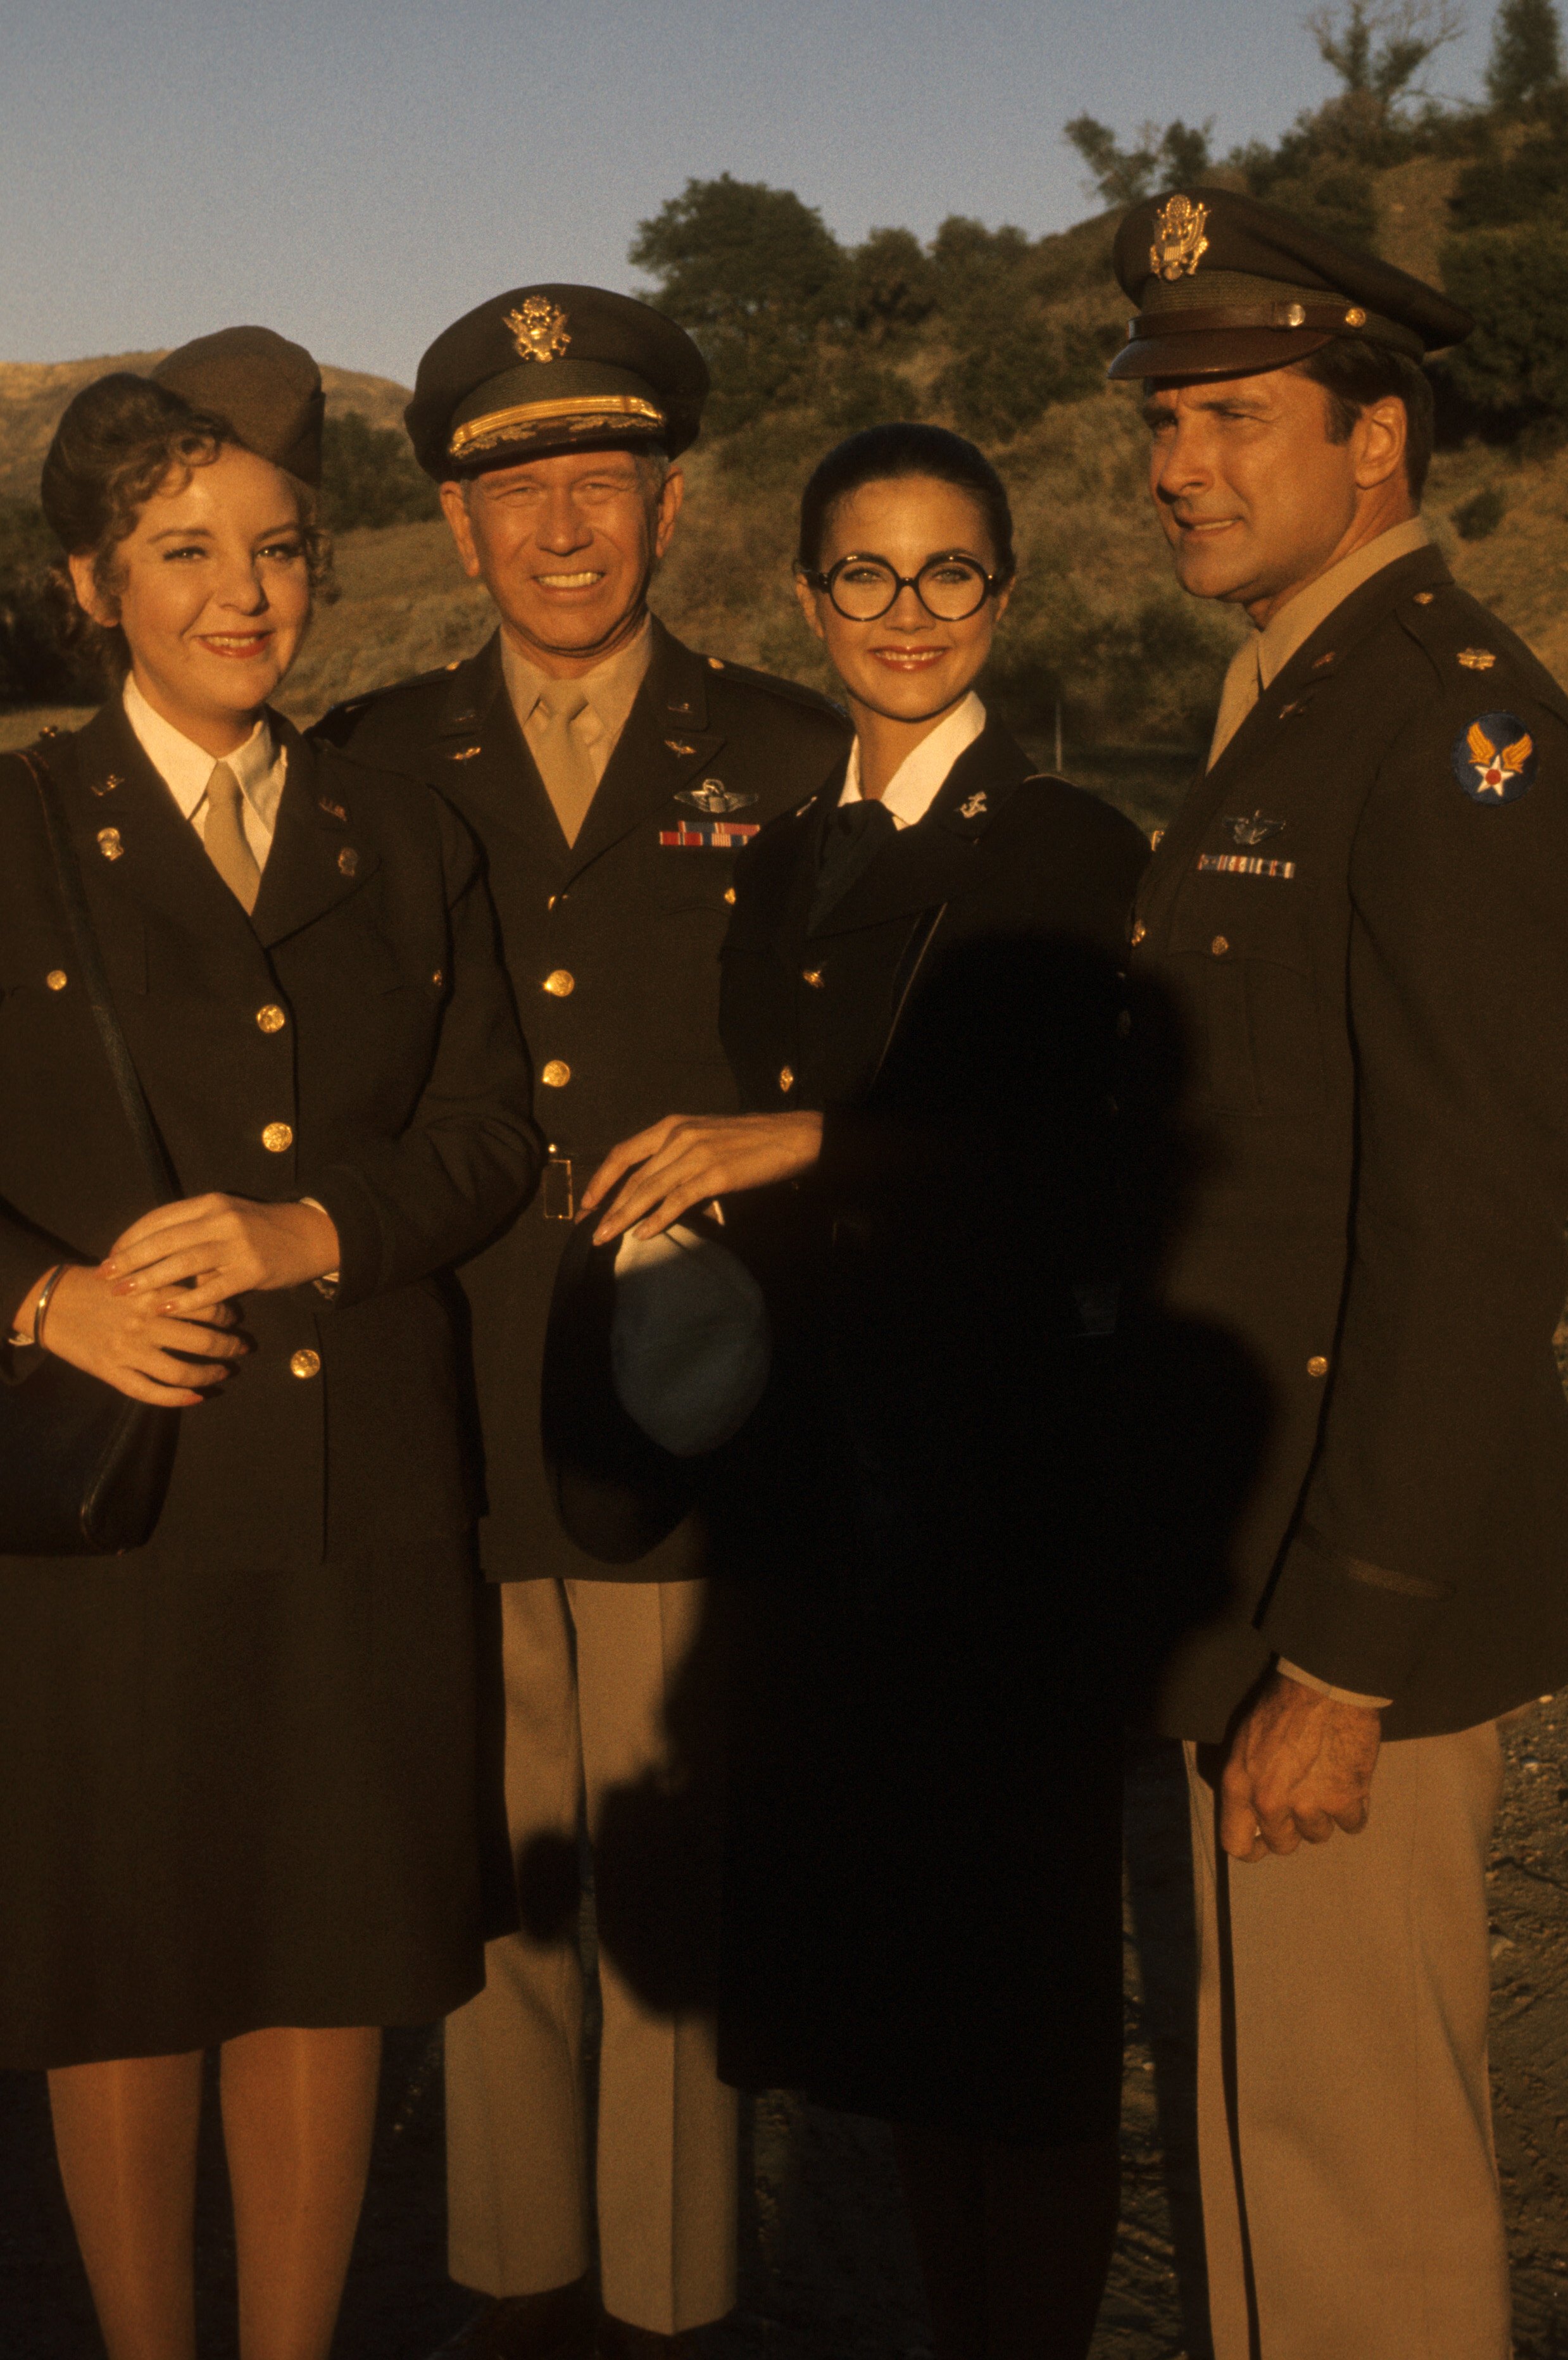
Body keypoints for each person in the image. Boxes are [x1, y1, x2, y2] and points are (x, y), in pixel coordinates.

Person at [312, 285, 850, 2360]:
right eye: (515, 487)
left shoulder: (796, 755)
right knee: (492, 1858)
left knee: (669, 1870)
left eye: (601, 483)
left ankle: (676, 2300)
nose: (562, 527)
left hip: (681, 1392)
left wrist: (789, 1146)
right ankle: (519, 2285)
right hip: (443, 1383)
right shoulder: (373, 760)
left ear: (671, 507)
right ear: (454, 527)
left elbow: (874, 1074)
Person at [584, 422, 1150, 2360]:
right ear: (804, 595)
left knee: (1022, 2001)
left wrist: (797, 1140)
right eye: (864, 575)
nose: (905, 615)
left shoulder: (1067, 844)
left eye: (949, 575)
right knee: (901, 2010)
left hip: (995, 1492)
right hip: (824, 1491)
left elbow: (1070, 1149)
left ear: (1005, 593)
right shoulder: (800, 849)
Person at [0, 330, 541, 2360]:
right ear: (92, 586)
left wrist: (314, 1228)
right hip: (111, 1500)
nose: (243, 594)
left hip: (357, 1491)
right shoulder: (16, 831)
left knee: (323, 1959)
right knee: (118, 1968)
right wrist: (44, 1299)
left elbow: (494, 1130)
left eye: (282, 549)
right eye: (184, 549)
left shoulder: (403, 834)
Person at [1107, 187, 1568, 2360]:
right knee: (1266, 2151)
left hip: (1344, 1598)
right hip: (1255, 1555)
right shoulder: (1288, 700)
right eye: (1162, 419)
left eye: (1229, 414)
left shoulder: (1455, 730)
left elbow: (1472, 1222)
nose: (1172, 462)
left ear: (1373, 439)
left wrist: (1345, 1654)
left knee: (1360, 2187)